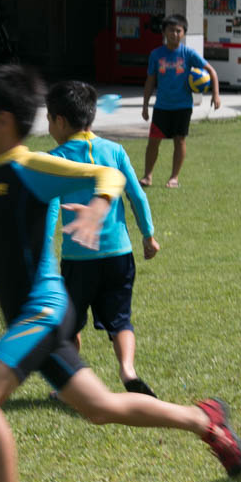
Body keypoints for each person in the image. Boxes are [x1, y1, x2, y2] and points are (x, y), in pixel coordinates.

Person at [0, 65, 241, 482]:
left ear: (4, 122)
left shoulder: (33, 169)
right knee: (99, 407)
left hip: (41, 312)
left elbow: (110, 178)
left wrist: (99, 208)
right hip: (33, 319)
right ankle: (205, 420)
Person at [46, 80, 161, 398]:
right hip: (119, 254)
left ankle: (71, 385)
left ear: (59, 120)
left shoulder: (55, 158)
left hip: (79, 259)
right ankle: (128, 371)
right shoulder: (115, 150)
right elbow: (136, 195)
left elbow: (51, 206)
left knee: (68, 324)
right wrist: (148, 236)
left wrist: (43, 248)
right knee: (120, 320)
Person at [141, 14, 221, 189]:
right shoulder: (156, 55)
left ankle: (174, 177)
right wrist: (145, 105)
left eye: (178, 31)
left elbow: (211, 71)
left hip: (182, 106)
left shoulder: (188, 54)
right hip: (162, 106)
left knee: (180, 141)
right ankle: (147, 176)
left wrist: (216, 94)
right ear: (164, 32)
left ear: (184, 33)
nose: (174, 34)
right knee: (153, 141)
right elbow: (150, 81)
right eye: (171, 30)